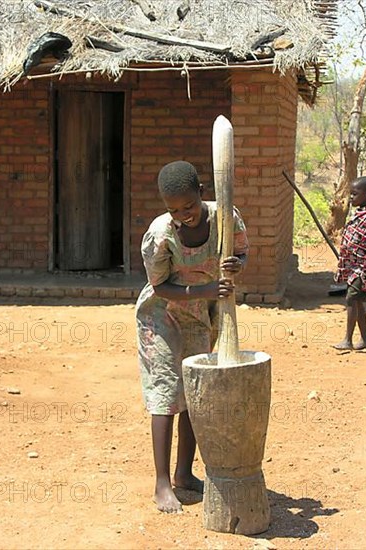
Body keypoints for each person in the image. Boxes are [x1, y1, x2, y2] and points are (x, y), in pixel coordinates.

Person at [135, 160, 249, 513]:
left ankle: (185, 474)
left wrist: (237, 265)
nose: (184, 215)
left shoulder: (226, 217)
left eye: (189, 206)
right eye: (174, 209)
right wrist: (207, 289)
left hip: (200, 315)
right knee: (166, 391)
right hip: (161, 314)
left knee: (193, 392)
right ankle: (162, 483)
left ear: (202, 193)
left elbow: (242, 251)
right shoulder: (160, 233)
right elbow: (160, 285)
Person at [333, 176, 366, 351]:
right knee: (357, 302)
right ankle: (365, 339)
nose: (352, 198)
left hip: (365, 268)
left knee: (351, 298)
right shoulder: (359, 214)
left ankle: (347, 340)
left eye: (355, 194)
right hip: (353, 266)